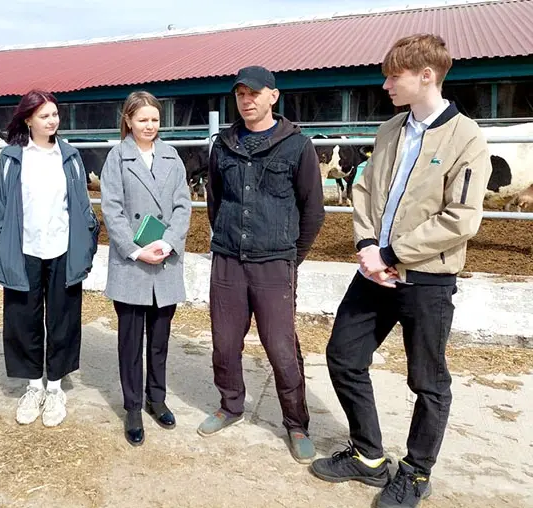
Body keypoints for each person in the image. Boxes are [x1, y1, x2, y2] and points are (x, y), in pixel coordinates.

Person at [310, 34, 491, 508]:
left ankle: (415, 471)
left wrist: (392, 254)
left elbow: (461, 218)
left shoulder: (466, 138)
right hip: (374, 272)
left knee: (427, 381)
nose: (386, 82)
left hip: (427, 279)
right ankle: (369, 456)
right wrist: (368, 244)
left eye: (395, 75)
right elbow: (365, 191)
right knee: (344, 356)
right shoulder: (390, 129)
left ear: (426, 75)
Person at [200, 65, 325, 464]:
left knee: (281, 348)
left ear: (273, 95)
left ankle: (296, 423)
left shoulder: (296, 146)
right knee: (224, 343)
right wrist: (228, 241)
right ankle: (230, 404)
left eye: (254, 93)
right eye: (240, 94)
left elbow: (313, 211)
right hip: (228, 262)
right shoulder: (223, 145)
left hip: (275, 265)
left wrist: (290, 255)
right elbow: (216, 201)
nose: (247, 100)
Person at [0, 89, 99, 428]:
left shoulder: (71, 157)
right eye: (44, 115)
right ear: (28, 119)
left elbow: (82, 207)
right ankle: (34, 387)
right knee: (23, 320)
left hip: (62, 249)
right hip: (24, 250)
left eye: (55, 115)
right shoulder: (12, 158)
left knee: (63, 319)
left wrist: (86, 243)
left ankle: (56, 387)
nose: (52, 121)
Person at [100, 91, 192, 446]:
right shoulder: (116, 158)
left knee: (159, 340)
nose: (150, 126)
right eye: (143, 120)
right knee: (129, 341)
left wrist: (168, 242)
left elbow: (183, 205)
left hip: (165, 259)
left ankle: (157, 398)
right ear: (128, 121)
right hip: (132, 263)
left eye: (154, 119)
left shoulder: (172, 157)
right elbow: (112, 209)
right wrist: (136, 250)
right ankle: (133, 407)